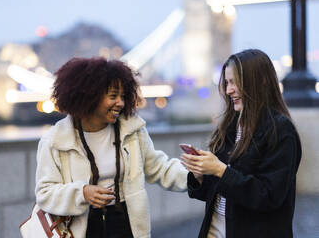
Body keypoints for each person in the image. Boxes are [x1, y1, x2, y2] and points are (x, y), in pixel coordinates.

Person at [35, 57, 188, 238]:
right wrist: (82, 193)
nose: (121, 103)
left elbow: (159, 168)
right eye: (113, 96)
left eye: (123, 96)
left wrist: (196, 176)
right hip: (81, 229)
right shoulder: (55, 140)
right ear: (90, 96)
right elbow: (45, 193)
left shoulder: (133, 131)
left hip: (126, 226)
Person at [181, 49, 301, 238]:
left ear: (260, 82)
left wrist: (220, 170)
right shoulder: (230, 126)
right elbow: (215, 195)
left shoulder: (281, 130)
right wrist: (200, 177)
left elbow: (269, 196)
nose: (229, 90)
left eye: (235, 82)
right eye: (227, 83)